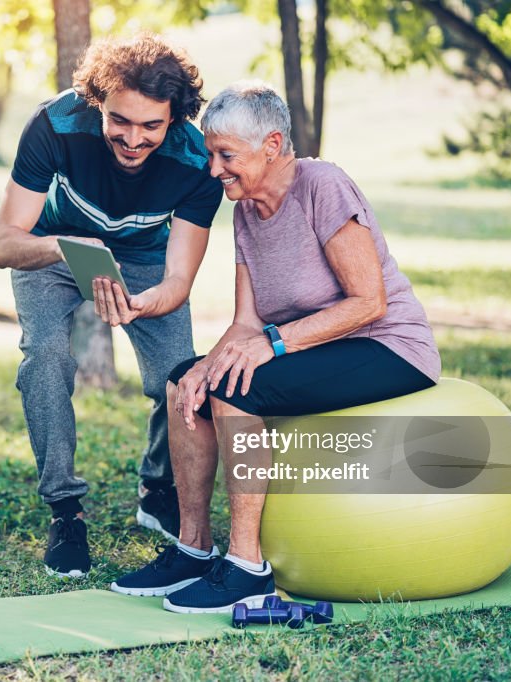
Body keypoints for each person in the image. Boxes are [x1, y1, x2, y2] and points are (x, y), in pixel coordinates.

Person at [107, 81, 441, 612]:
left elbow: (368, 302)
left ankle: (247, 565)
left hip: (387, 345)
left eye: (225, 155)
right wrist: (204, 366)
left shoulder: (322, 185)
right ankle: (193, 548)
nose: (214, 169)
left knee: (239, 391)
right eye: (211, 154)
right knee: (184, 380)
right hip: (311, 347)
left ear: (272, 144)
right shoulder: (244, 212)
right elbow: (246, 322)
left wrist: (275, 344)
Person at [0, 34, 224, 578]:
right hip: (51, 249)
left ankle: (157, 488)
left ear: (175, 119)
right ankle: (65, 512)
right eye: (119, 120)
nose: (133, 139)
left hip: (145, 262)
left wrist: (146, 303)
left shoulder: (195, 161)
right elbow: (3, 245)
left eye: (151, 126)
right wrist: (69, 248)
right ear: (97, 102)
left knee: (179, 375)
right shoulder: (54, 125)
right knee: (45, 357)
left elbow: (180, 278)